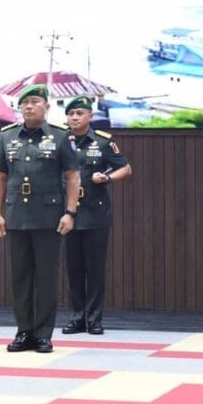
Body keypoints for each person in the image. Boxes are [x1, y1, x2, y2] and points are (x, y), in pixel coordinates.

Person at [0, 84, 79, 354]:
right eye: (25, 103)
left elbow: (72, 176)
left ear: (46, 107)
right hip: (16, 216)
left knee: (46, 278)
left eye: (35, 102)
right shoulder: (7, 136)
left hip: (48, 217)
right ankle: (23, 331)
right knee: (20, 278)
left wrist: (70, 212)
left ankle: (43, 334)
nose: (29, 107)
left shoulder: (60, 136)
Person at [62, 95, 132, 335]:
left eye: (79, 113)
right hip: (68, 213)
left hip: (95, 212)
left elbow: (126, 168)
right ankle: (77, 317)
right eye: (71, 114)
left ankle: (93, 319)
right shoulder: (61, 141)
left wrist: (107, 177)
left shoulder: (102, 141)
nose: (74, 118)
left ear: (90, 116)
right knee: (73, 269)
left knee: (94, 269)